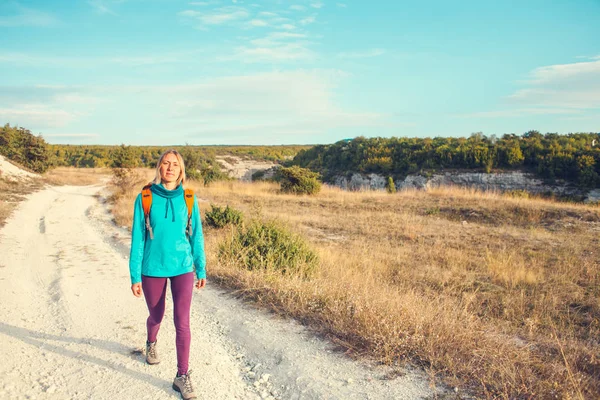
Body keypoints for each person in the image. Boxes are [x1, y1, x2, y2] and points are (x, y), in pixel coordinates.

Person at [129, 149, 206, 400]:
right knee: (156, 314)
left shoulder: (189, 197)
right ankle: (151, 342)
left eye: (175, 164)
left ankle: (182, 375)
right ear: (159, 167)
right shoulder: (146, 197)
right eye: (166, 163)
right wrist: (135, 275)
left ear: (181, 170)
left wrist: (201, 267)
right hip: (153, 268)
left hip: (183, 267)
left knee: (182, 322)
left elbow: (196, 235)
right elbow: (138, 239)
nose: (170, 167)